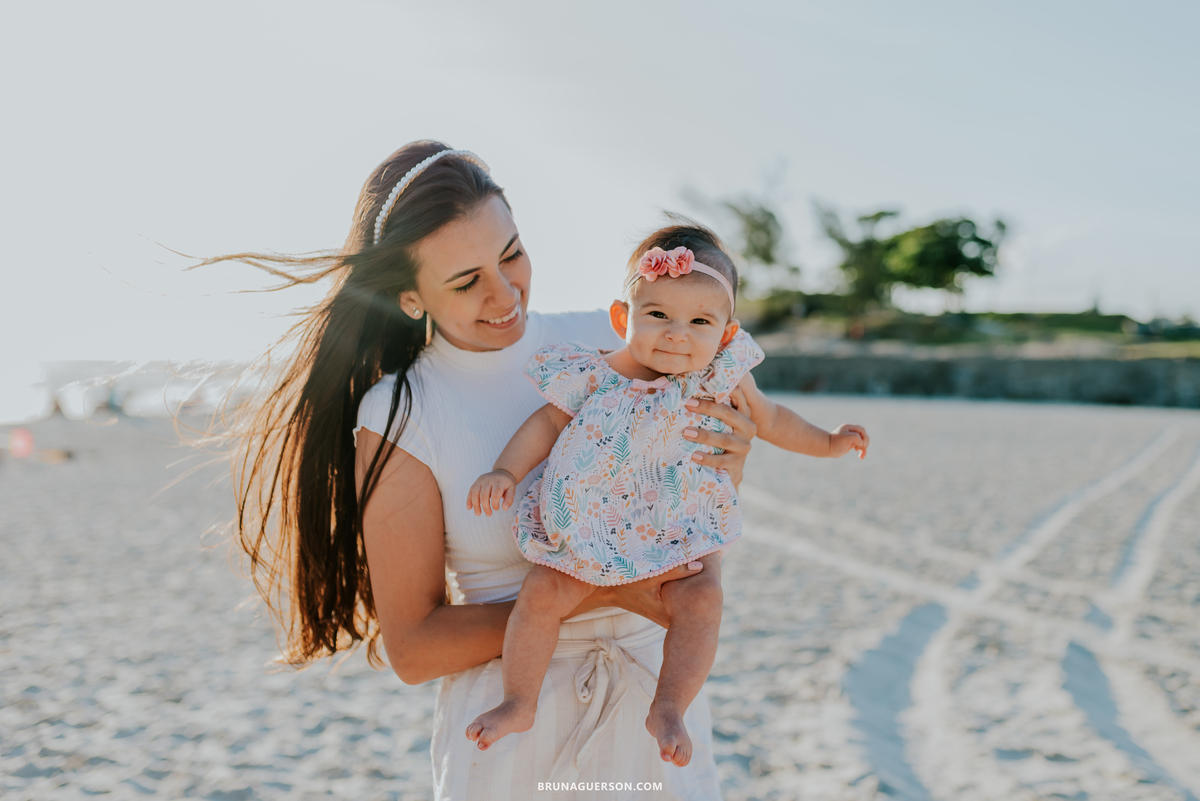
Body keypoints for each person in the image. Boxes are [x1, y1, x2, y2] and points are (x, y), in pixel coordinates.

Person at [223, 141, 760, 799]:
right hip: (512, 742)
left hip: (657, 720)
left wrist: (732, 457)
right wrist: (605, 589)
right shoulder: (402, 410)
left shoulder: (619, 337)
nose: (504, 293)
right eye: (465, 279)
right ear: (409, 296)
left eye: (511, 253)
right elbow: (415, 649)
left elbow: (696, 508)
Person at [464, 228, 869, 766]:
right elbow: (544, 424)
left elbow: (772, 421)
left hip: (675, 533)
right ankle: (519, 699)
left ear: (726, 334)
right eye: (658, 315)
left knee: (703, 600)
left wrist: (829, 442)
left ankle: (670, 705)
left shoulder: (723, 379)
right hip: (591, 527)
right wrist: (505, 471)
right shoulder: (595, 375)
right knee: (541, 593)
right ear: (621, 317)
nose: (677, 335)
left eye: (700, 321)